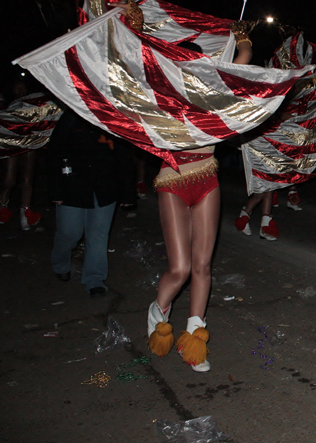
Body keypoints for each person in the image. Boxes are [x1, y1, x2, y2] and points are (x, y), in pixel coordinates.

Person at [146, 21, 254, 372]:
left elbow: (241, 67)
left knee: (203, 266)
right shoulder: (162, 97)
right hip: (172, 181)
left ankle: (194, 341)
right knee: (180, 269)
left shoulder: (212, 95)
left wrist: (244, 37)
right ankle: (159, 314)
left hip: (207, 176)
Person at [47, 110, 135, 295]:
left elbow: (124, 157)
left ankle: (94, 279)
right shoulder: (72, 116)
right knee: (69, 232)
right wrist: (56, 189)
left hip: (105, 185)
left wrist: (127, 193)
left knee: (98, 235)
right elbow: (55, 152)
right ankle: (61, 263)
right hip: (73, 185)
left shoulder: (113, 117)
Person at [0, 78, 44, 230]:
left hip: (29, 141)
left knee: (27, 179)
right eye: (18, 87)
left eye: (23, 87)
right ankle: (2, 207)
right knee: (9, 180)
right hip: (11, 143)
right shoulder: (4, 103)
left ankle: (25, 215)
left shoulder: (32, 103)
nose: (21, 91)